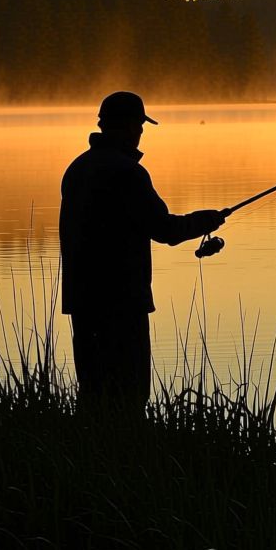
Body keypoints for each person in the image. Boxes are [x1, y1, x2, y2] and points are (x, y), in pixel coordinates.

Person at [59, 91, 225, 414]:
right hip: (122, 301)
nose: (140, 132)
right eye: (139, 125)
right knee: (130, 394)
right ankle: (128, 445)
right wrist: (204, 221)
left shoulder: (77, 169)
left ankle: (89, 444)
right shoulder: (128, 173)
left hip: (83, 301)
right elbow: (164, 229)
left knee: (93, 391)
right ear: (126, 126)